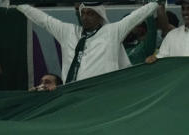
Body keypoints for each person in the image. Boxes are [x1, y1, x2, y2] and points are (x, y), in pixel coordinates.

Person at [17, 1, 159, 82]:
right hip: (71, 93)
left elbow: (136, 16)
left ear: (100, 16)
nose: (85, 17)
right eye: (83, 13)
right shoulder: (68, 32)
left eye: (90, 13)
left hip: (100, 93)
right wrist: (19, 4)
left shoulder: (111, 32)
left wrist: (155, 3)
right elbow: (44, 20)